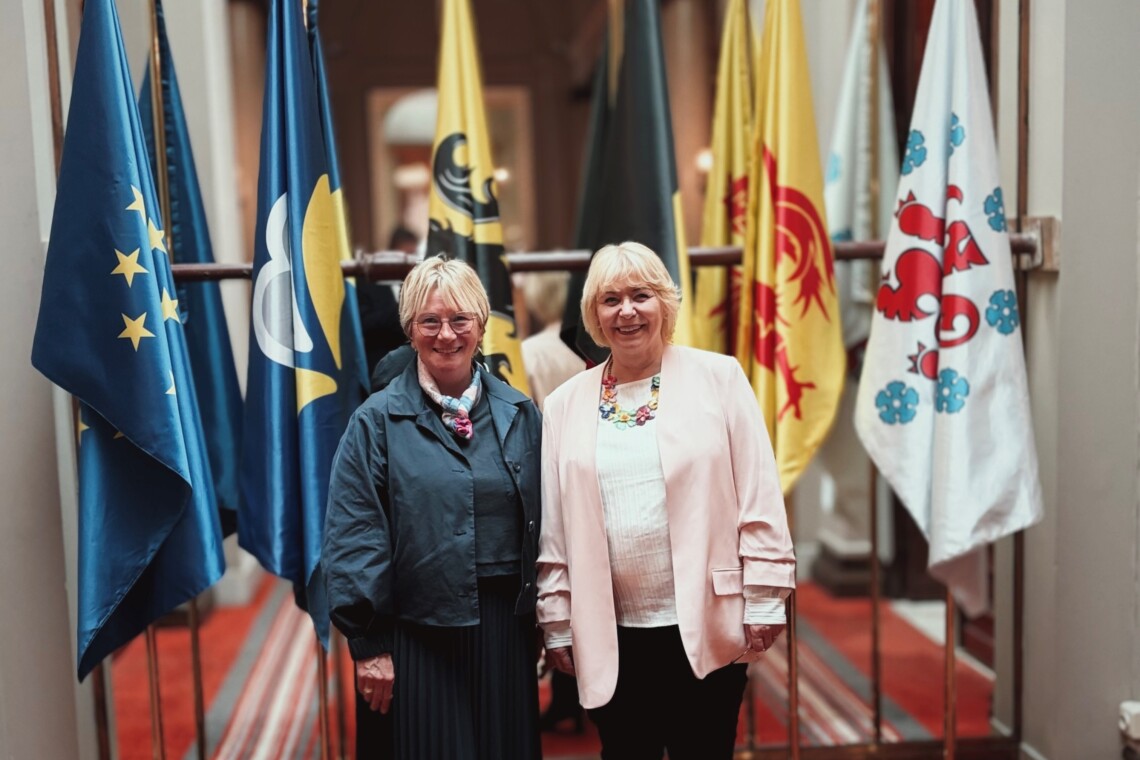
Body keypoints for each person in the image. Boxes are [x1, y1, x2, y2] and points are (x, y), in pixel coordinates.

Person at [536, 241, 796, 759]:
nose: (627, 311)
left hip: (707, 622)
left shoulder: (720, 378)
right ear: (594, 314)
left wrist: (767, 595)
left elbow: (759, 493)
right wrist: (557, 619)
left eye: (641, 296)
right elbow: (555, 527)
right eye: (611, 300)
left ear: (665, 303)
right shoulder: (564, 404)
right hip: (610, 632)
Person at [324, 255, 543, 760]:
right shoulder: (375, 421)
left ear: (481, 326)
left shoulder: (520, 412)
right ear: (410, 329)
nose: (446, 334)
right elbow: (354, 532)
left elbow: (547, 522)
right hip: (415, 631)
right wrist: (368, 643)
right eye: (430, 321)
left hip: (505, 629)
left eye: (460, 319)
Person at [518, 271, 588, 732]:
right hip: (593, 468)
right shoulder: (587, 347)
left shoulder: (529, 352)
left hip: (547, 470)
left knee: (558, 580)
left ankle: (565, 694)